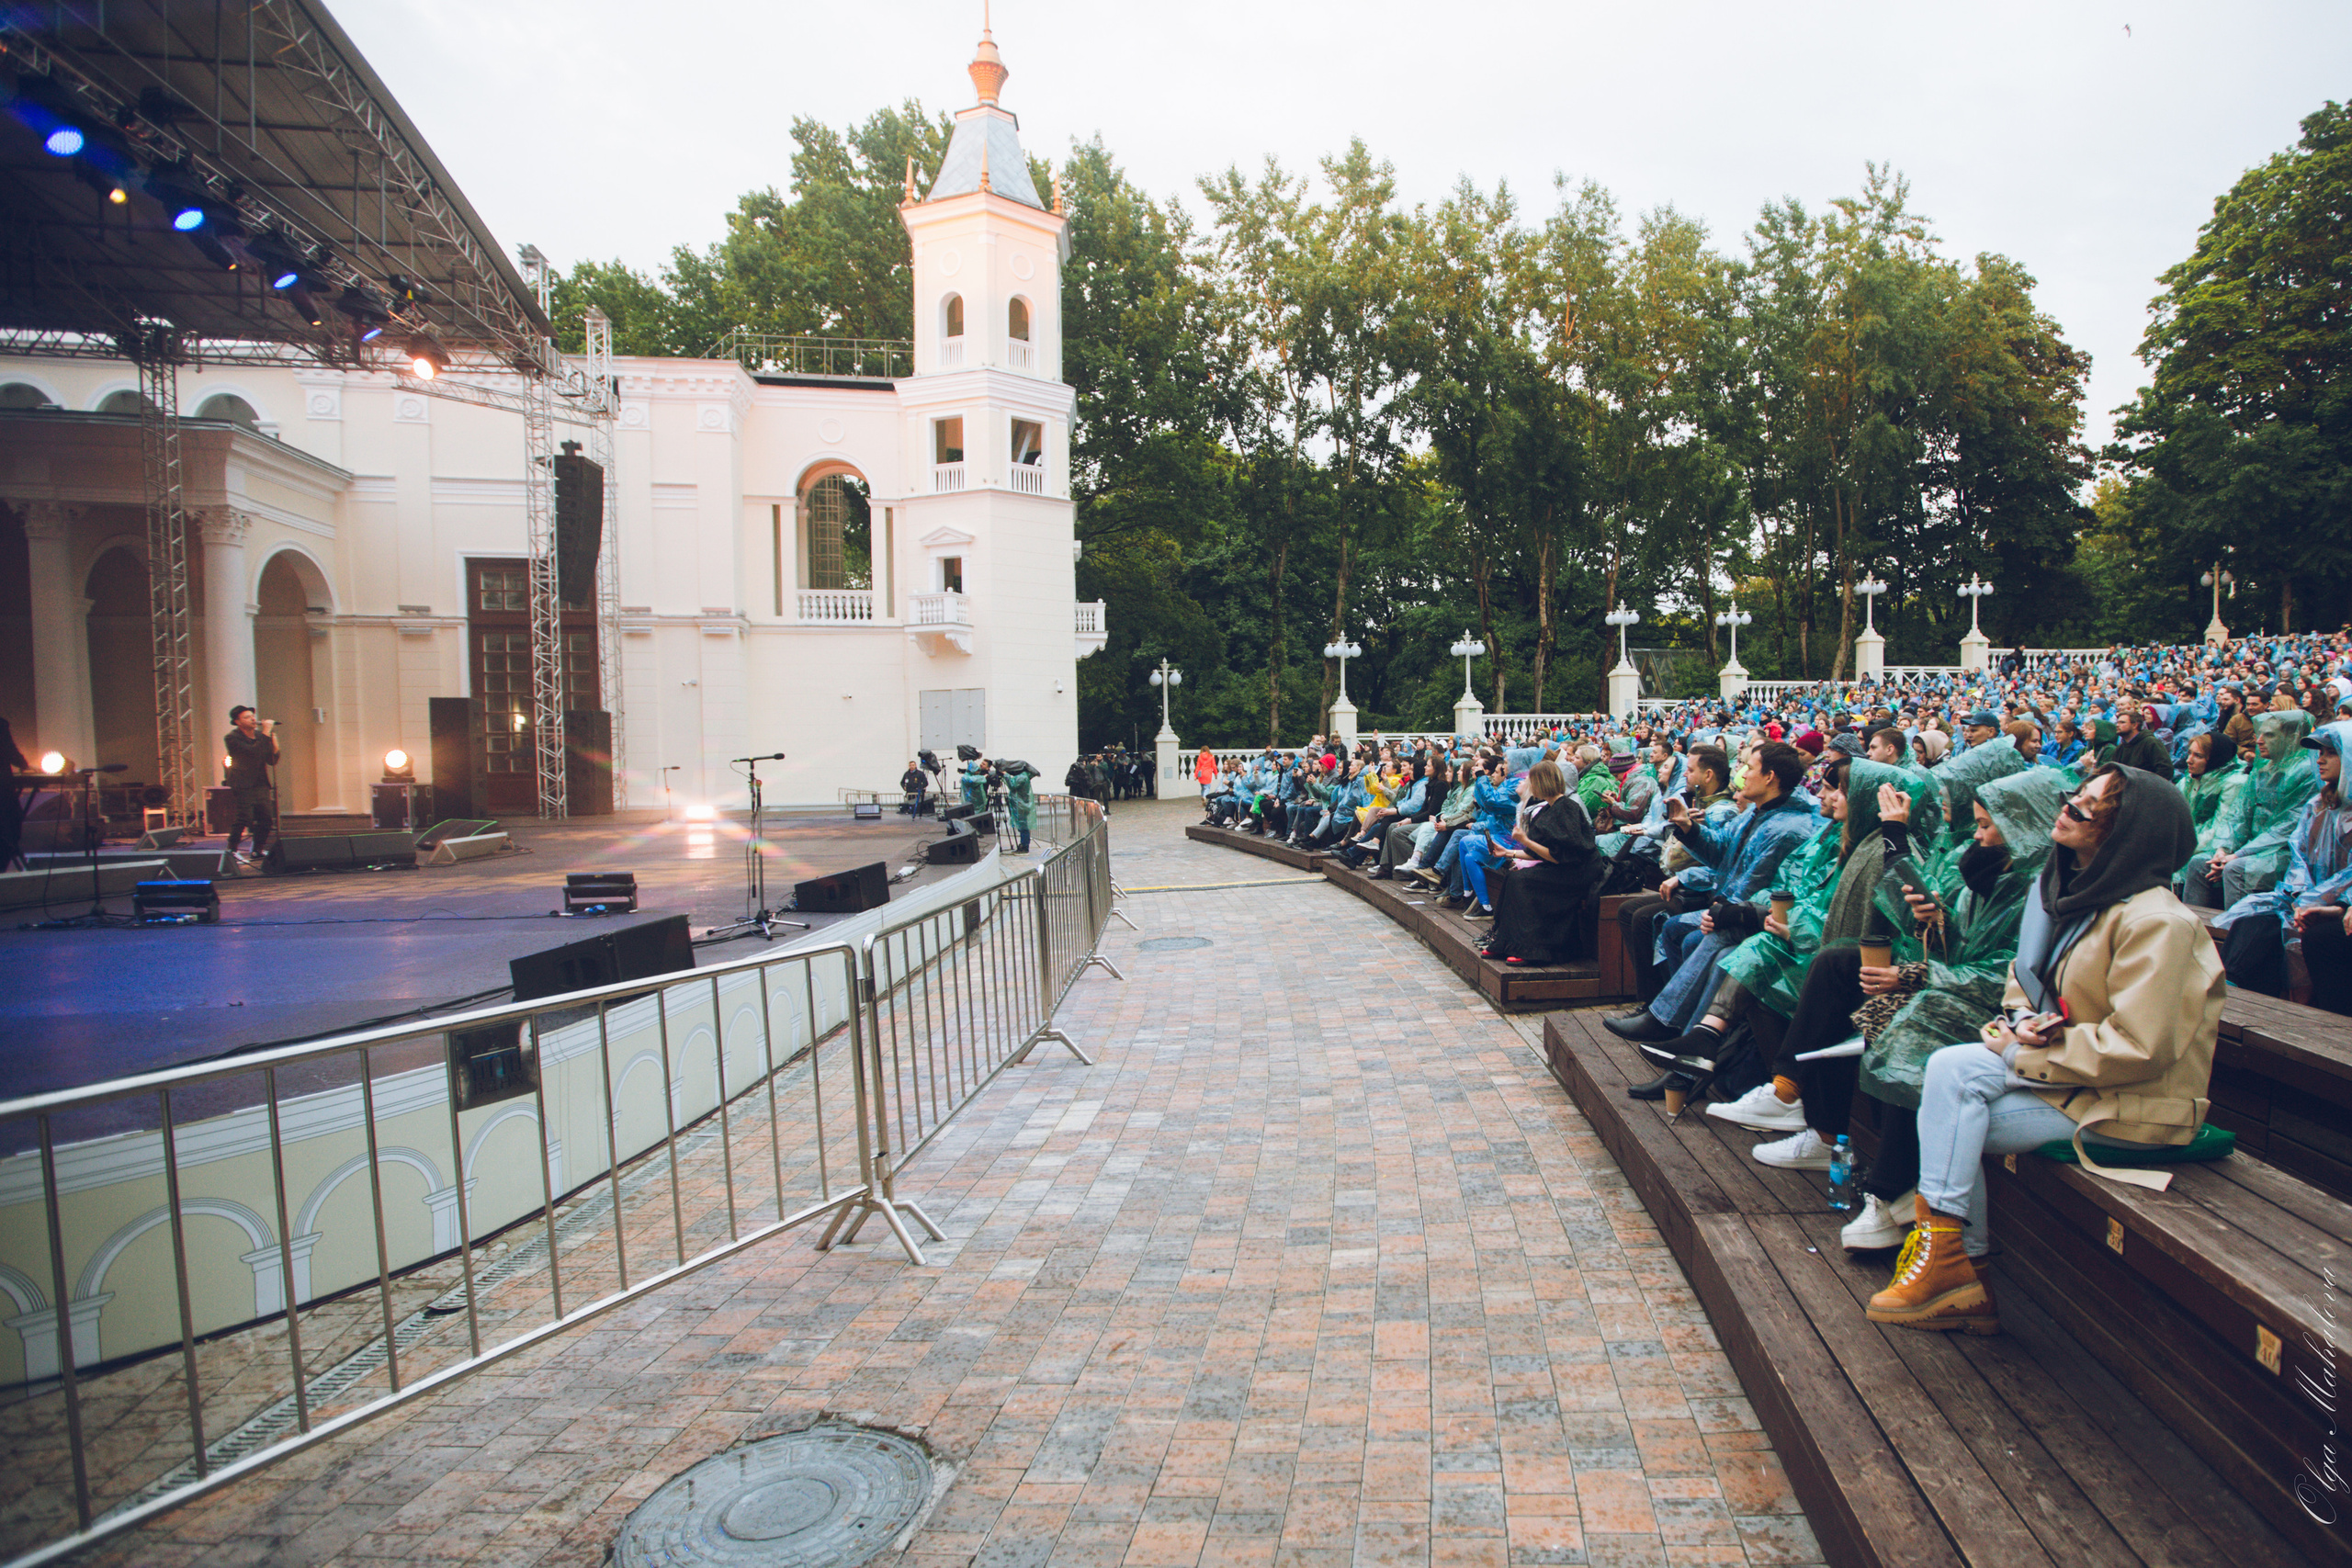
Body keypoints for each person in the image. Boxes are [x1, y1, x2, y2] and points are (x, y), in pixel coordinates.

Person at [1866, 764, 2221, 1334]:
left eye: (2085, 810)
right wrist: (2023, 1021)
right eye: (2072, 798)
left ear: (2127, 835)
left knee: (1953, 1099)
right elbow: (2022, 985)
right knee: (1946, 1070)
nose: (2067, 810)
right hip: (2073, 1080)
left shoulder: (2160, 922)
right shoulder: (2071, 894)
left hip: (2130, 1104)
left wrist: (2020, 1050)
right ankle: (1958, 1262)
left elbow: (2140, 1047)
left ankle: (1957, 1264)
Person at [2213, 720, 2352, 1012]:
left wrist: (2330, 904)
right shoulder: (2318, 805)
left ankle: (2322, 1023)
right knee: (2254, 921)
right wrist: (2298, 896)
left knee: (2315, 937)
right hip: (2305, 902)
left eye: (2331, 752)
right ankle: (2232, 1001)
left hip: (2336, 909)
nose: (2321, 759)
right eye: (2320, 752)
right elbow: (2299, 856)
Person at [1478, 760, 1601, 966]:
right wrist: (1508, 852)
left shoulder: (1567, 808)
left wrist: (1524, 840)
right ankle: (1506, 942)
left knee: (1522, 882)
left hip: (1578, 872)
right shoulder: (1547, 809)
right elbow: (1541, 854)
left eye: (1531, 781)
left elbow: (1560, 856)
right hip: (1562, 867)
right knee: (1513, 878)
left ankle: (1532, 948)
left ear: (1542, 782)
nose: (1528, 785)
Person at [223, 705, 280, 866]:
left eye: (252, 716)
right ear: (237, 722)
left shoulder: (260, 735)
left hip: (261, 783)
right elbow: (252, 753)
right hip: (243, 783)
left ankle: (258, 849)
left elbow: (271, 760)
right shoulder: (232, 738)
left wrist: (275, 746)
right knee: (244, 818)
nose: (253, 719)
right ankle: (232, 850)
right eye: (247, 717)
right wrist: (266, 733)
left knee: (266, 819)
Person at [998, 759, 1037, 852]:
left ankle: (1024, 846)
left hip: (1021, 806)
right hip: (1020, 805)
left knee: (1023, 827)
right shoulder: (1022, 776)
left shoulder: (1022, 777)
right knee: (1022, 826)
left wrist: (1005, 775)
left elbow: (1012, 785)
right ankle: (1023, 844)